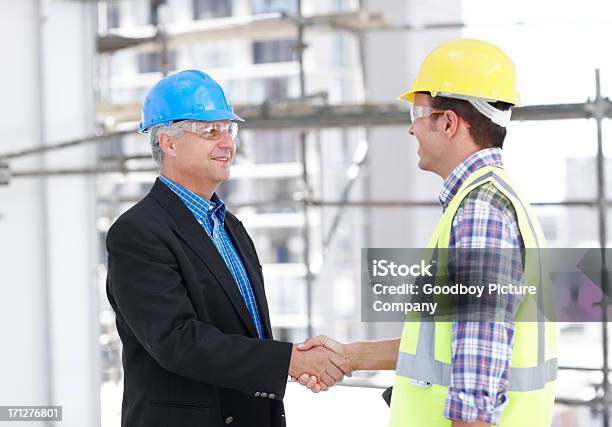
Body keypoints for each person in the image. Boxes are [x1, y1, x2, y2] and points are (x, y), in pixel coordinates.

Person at [294, 39, 558, 426]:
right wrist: (350, 357)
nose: (412, 128)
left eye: (419, 111)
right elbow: (444, 345)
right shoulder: (488, 199)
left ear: (449, 122)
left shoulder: (480, 212)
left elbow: (477, 373)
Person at [105, 69, 350, 427]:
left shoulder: (231, 227)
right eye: (210, 131)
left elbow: (243, 334)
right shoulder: (137, 233)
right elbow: (177, 340)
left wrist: (289, 361)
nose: (227, 143)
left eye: (229, 129)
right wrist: (288, 361)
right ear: (169, 143)